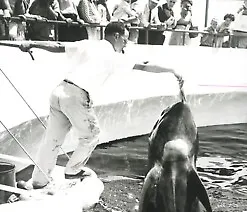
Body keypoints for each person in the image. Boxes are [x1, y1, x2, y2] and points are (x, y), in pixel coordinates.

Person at [14, 21, 183, 189]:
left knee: (52, 139)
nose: (126, 42)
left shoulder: (88, 45)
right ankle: (72, 171)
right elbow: (144, 66)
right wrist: (172, 71)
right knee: (92, 136)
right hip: (77, 95)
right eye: (125, 37)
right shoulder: (114, 56)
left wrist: (31, 44)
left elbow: (58, 45)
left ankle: (39, 181)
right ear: (116, 36)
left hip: (59, 91)